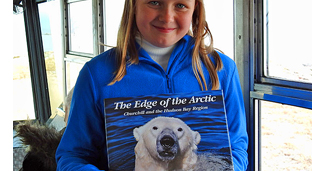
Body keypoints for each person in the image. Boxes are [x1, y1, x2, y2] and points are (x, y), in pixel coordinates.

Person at [56, 0, 248, 170]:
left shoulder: (221, 70)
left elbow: (237, 146)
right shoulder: (96, 74)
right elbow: (72, 155)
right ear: (133, 5)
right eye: (154, 2)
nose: (167, 17)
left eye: (180, 5)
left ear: (194, 9)